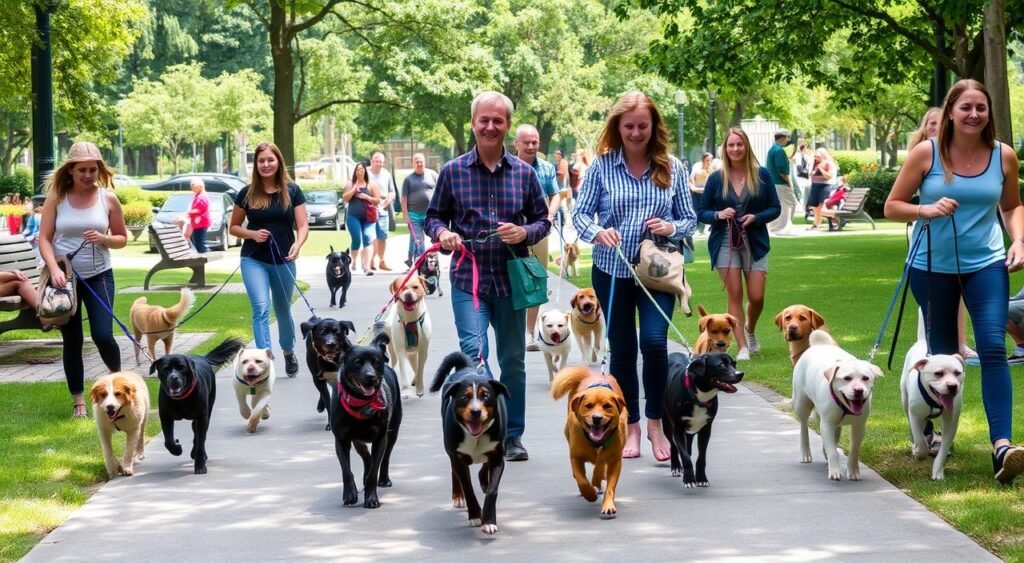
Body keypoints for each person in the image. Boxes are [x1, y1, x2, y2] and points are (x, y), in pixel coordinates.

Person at [883, 79, 1024, 485]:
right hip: (930, 268)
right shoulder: (926, 154)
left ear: (989, 113)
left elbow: (1012, 204)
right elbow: (893, 206)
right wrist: (926, 209)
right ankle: (929, 425)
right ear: (950, 112)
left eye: (981, 107)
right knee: (942, 354)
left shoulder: (1003, 156)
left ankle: (1003, 447)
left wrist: (1018, 240)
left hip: (987, 264)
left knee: (993, 347)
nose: (974, 114)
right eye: (966, 107)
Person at [426, 91, 551, 462]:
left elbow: (543, 220)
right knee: (475, 357)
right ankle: (474, 432)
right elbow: (434, 217)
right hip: (469, 280)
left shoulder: (525, 174)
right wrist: (441, 234)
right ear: (474, 123)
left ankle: (511, 435)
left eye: (498, 120)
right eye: (485, 120)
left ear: (508, 125)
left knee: (512, 360)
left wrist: (524, 232)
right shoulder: (452, 172)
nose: (491, 126)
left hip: (512, 280)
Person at [572, 91, 697, 461]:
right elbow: (580, 215)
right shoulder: (601, 166)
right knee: (623, 349)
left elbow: (690, 219)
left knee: (655, 344)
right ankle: (632, 426)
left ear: (654, 126)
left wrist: (670, 226)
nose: (636, 132)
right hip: (612, 270)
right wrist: (598, 232)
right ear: (617, 127)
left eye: (643, 125)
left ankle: (658, 422)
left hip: (656, 271)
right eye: (629, 126)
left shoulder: (673, 166)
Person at [39, 141, 128, 418]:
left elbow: (122, 238)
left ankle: (119, 385)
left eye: (93, 169)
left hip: (100, 275)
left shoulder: (108, 199)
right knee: (72, 339)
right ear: (70, 171)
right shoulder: (57, 198)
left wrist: (104, 239)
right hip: (65, 280)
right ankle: (78, 400)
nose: (88, 175)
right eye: (82, 170)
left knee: (103, 335)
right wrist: (53, 268)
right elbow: (44, 238)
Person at [698, 127, 781, 361]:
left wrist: (757, 217)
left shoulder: (761, 175)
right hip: (725, 241)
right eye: (730, 145)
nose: (735, 149)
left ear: (746, 147)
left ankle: (749, 329)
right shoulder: (716, 178)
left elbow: (775, 208)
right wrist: (717, 215)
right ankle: (742, 347)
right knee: (734, 294)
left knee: (756, 297)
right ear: (725, 149)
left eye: (739, 144)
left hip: (754, 241)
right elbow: (701, 212)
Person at [229, 141, 309, 378]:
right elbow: (233, 227)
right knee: (261, 308)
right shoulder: (246, 193)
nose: (266, 165)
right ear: (256, 164)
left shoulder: (292, 190)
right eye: (261, 161)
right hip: (254, 259)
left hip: (284, 258)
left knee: (282, 309)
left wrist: (298, 243)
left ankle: (287, 350)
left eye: (270, 160)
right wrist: (252, 234)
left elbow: (303, 225)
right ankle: (266, 360)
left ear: (278, 162)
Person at [908, 106, 976, 358]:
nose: (936, 128)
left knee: (956, 298)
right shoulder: (922, 155)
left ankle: (960, 344)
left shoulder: (967, 155)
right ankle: (931, 346)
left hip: (967, 246)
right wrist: (925, 208)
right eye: (930, 124)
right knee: (933, 303)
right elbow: (898, 201)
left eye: (940, 123)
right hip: (927, 238)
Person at [514, 125, 561, 352]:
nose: (531, 146)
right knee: (515, 281)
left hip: (539, 232)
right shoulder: (508, 167)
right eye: (527, 142)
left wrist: (549, 216)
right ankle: (514, 330)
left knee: (536, 281)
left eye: (535, 142)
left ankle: (529, 333)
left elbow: (555, 195)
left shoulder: (546, 168)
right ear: (516, 144)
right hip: (512, 233)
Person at [342, 162, 380, 275]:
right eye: (358, 169)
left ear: (365, 171)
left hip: (368, 217)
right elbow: (345, 198)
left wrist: (367, 197)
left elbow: (377, 200)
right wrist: (353, 190)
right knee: (357, 239)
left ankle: (367, 267)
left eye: (362, 169)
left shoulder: (371, 184)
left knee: (368, 237)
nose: (360, 171)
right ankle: (353, 261)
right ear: (355, 172)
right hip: (353, 217)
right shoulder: (350, 184)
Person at [400, 153, 437, 266]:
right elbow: (404, 198)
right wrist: (405, 214)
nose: (419, 164)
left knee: (433, 238)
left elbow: (441, 192)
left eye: (421, 161)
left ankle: (411, 258)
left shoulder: (433, 175)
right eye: (417, 162)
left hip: (430, 214)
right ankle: (422, 262)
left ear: (424, 162)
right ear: (413, 163)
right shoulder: (408, 179)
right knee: (418, 239)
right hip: (414, 215)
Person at [367, 151, 395, 271]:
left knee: (382, 235)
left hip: (383, 208)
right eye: (377, 161)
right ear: (372, 161)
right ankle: (372, 260)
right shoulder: (365, 173)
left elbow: (392, 192)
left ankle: (381, 261)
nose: (380, 164)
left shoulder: (386, 174)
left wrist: (388, 201)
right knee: (371, 235)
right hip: (369, 207)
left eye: (382, 162)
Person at [766, 129, 795, 235]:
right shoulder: (779, 150)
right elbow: (782, 170)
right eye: (788, 137)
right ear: (783, 137)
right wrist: (789, 182)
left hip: (773, 182)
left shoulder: (772, 149)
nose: (788, 140)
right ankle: (781, 228)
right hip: (780, 183)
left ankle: (776, 227)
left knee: (781, 204)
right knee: (789, 204)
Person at [806, 148, 835, 230]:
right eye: (815, 156)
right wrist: (811, 173)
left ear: (823, 156)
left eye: (818, 156)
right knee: (815, 207)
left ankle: (836, 220)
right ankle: (816, 224)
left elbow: (829, 176)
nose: (816, 158)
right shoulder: (813, 163)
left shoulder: (828, 163)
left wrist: (821, 169)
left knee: (822, 206)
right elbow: (809, 175)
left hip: (824, 186)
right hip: (815, 185)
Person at [688, 152, 714, 235]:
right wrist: (694, 188)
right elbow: (691, 182)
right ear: (703, 160)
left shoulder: (711, 171)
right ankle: (695, 229)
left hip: (706, 195)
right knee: (696, 212)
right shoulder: (696, 169)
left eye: (710, 160)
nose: (709, 162)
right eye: (707, 160)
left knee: (707, 212)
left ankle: (705, 229)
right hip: (696, 195)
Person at [187, 178, 211, 253]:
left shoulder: (202, 197)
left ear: (200, 186)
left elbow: (199, 209)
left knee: (199, 243)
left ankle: (204, 256)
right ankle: (203, 256)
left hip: (201, 223)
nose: (192, 188)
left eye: (194, 187)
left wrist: (187, 213)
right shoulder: (198, 196)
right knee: (197, 242)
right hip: (197, 223)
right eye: (191, 186)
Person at [791, 140, 812, 217]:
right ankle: (802, 207)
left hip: (801, 176)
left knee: (802, 192)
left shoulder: (803, 155)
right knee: (801, 192)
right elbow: (799, 168)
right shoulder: (799, 155)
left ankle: (802, 207)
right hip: (801, 177)